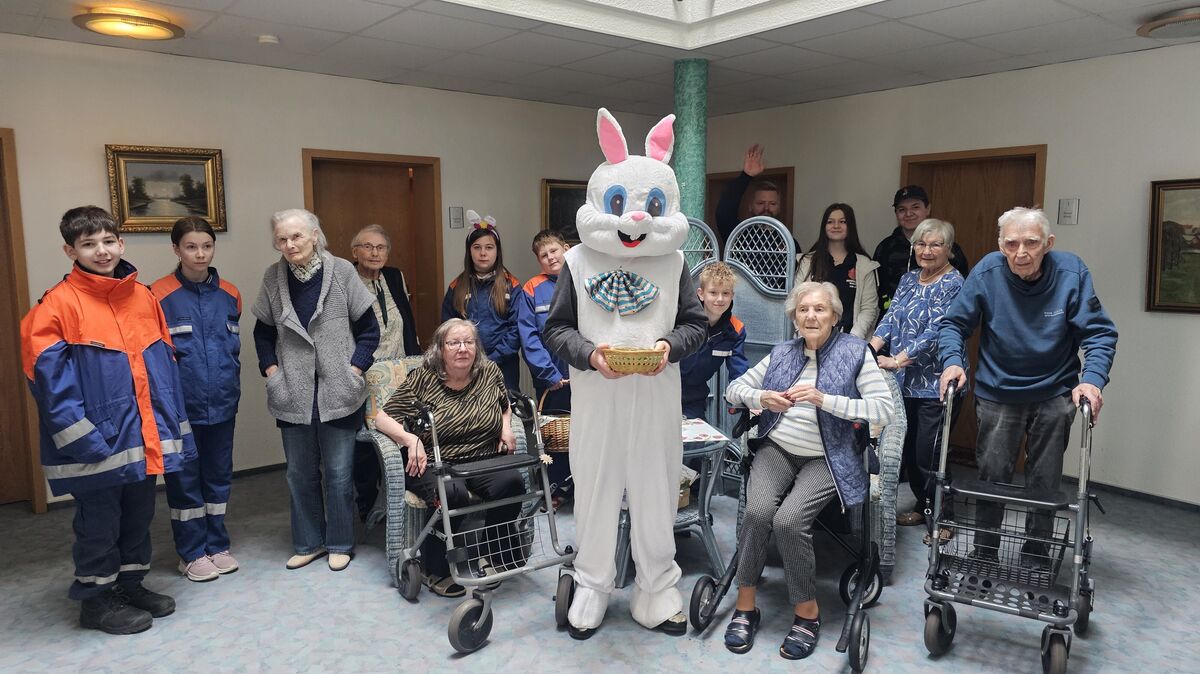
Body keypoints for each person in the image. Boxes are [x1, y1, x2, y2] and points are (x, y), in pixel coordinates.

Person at [544, 108, 707, 639]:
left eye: (649, 207)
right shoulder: (575, 262)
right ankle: (592, 582)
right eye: (621, 205)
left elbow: (696, 324)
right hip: (597, 394)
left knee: (657, 489)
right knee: (593, 487)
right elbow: (556, 329)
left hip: (658, 394)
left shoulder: (676, 262)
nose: (635, 219)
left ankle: (656, 587)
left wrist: (669, 345)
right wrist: (589, 355)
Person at [21, 206, 194, 634]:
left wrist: (173, 426)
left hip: (141, 438)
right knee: (98, 525)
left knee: (137, 516)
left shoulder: (144, 297)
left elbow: (164, 369)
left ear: (122, 242)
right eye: (88, 244)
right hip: (96, 442)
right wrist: (82, 441)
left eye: (108, 241)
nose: (101, 251)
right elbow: (48, 385)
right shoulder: (56, 306)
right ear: (70, 250)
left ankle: (130, 585)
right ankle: (96, 601)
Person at [723, 281, 894, 659]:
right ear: (794, 317)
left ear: (834, 316)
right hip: (779, 447)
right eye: (803, 310)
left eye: (820, 309)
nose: (811, 316)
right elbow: (733, 389)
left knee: (788, 520)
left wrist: (825, 400)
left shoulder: (855, 353)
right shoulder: (782, 352)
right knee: (757, 511)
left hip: (829, 455)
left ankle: (807, 613)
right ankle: (746, 604)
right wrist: (761, 397)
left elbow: (884, 410)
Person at [938, 207, 1117, 566]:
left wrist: (1092, 382)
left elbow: (1098, 334)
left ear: (1048, 243)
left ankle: (1036, 553)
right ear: (1000, 245)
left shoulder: (1071, 272)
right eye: (1011, 243)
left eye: (1031, 243)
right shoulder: (988, 271)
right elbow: (953, 324)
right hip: (998, 390)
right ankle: (985, 551)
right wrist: (952, 361)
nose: (1021, 252)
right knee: (992, 475)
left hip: (1054, 389)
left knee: (1045, 479)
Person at [252, 208, 379, 572]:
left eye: (296, 237)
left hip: (340, 388)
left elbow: (370, 329)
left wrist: (354, 368)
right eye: (282, 239)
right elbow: (263, 332)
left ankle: (339, 542)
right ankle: (308, 541)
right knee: (299, 473)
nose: (289, 244)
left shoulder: (341, 271)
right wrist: (272, 371)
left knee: (339, 472)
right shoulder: (273, 278)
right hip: (292, 390)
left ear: (315, 235)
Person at [373, 318, 524, 598]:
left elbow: (505, 406)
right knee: (450, 493)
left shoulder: (489, 372)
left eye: (469, 342)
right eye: (453, 343)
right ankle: (436, 569)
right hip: (434, 459)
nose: (462, 349)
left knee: (512, 482)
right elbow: (381, 417)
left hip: (482, 455)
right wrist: (410, 439)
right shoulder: (424, 378)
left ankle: (491, 553)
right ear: (440, 348)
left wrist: (504, 425)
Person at [151, 216, 243, 582]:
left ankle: (217, 544)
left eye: (207, 246)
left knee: (218, 477)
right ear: (176, 249)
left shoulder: (230, 293)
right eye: (191, 247)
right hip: (179, 407)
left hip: (222, 402)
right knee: (185, 479)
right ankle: (190, 552)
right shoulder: (157, 294)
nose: (200, 254)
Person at [870, 218, 965, 543]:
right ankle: (924, 508)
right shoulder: (910, 279)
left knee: (930, 453)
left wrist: (896, 359)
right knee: (909, 451)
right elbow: (892, 316)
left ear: (948, 249)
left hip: (935, 383)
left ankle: (944, 518)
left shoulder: (954, 283)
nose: (926, 251)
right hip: (902, 383)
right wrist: (869, 349)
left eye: (935, 244)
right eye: (921, 244)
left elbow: (937, 331)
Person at [349, 223, 421, 522]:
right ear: (355, 252)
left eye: (380, 247)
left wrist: (416, 358)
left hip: (398, 370)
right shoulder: (346, 278)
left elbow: (407, 318)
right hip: (362, 372)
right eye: (367, 246)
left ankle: (402, 497)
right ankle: (367, 502)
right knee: (366, 441)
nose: (374, 253)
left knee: (403, 431)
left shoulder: (395, 275)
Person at [517, 230, 573, 504]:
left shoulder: (584, 279)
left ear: (565, 248)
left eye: (554, 251)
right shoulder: (531, 289)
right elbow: (528, 337)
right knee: (554, 436)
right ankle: (556, 490)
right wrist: (549, 373)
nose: (551, 258)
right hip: (551, 380)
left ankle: (583, 487)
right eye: (543, 255)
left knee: (586, 433)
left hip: (586, 375)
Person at [442, 213, 521, 391]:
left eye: (489, 247)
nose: (483, 253)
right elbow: (447, 329)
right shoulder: (457, 286)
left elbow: (516, 329)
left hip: (504, 368)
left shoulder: (512, 285)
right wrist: (466, 357)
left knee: (503, 413)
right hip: (465, 367)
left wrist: (492, 359)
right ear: (469, 251)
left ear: (497, 251)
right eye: (477, 247)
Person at [873, 185, 969, 313]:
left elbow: (964, 291)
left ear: (928, 208)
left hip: (938, 320)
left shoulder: (948, 248)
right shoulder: (885, 248)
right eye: (902, 209)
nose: (908, 213)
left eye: (915, 207)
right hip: (891, 319)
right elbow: (877, 289)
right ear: (896, 213)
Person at [795, 203, 880, 339]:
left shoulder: (864, 265)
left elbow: (869, 309)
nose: (836, 226)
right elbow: (797, 302)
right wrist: (806, 336)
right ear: (824, 226)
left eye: (842, 222)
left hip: (851, 339)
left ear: (850, 226)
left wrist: (852, 341)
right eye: (830, 222)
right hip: (812, 338)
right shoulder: (806, 262)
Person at [679, 262, 748, 422]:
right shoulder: (680, 319)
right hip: (663, 394)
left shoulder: (736, 330)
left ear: (732, 296)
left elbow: (739, 372)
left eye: (725, 293)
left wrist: (747, 398)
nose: (720, 299)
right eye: (713, 292)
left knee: (696, 445)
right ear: (701, 294)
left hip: (694, 401)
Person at [713, 143, 783, 243]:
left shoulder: (788, 241)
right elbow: (723, 213)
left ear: (779, 207)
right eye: (760, 203)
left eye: (772, 204)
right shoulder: (739, 234)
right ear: (751, 206)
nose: (766, 208)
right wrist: (746, 176)